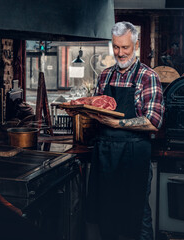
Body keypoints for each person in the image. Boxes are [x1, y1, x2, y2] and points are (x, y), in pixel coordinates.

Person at [65, 21, 164, 240]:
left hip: (134, 154)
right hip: (105, 153)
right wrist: (81, 111)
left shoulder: (148, 77)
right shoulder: (105, 75)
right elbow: (98, 112)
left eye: (125, 47)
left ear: (135, 45)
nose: (120, 53)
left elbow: (153, 121)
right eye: (116, 47)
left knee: (137, 216)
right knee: (106, 212)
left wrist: (118, 124)